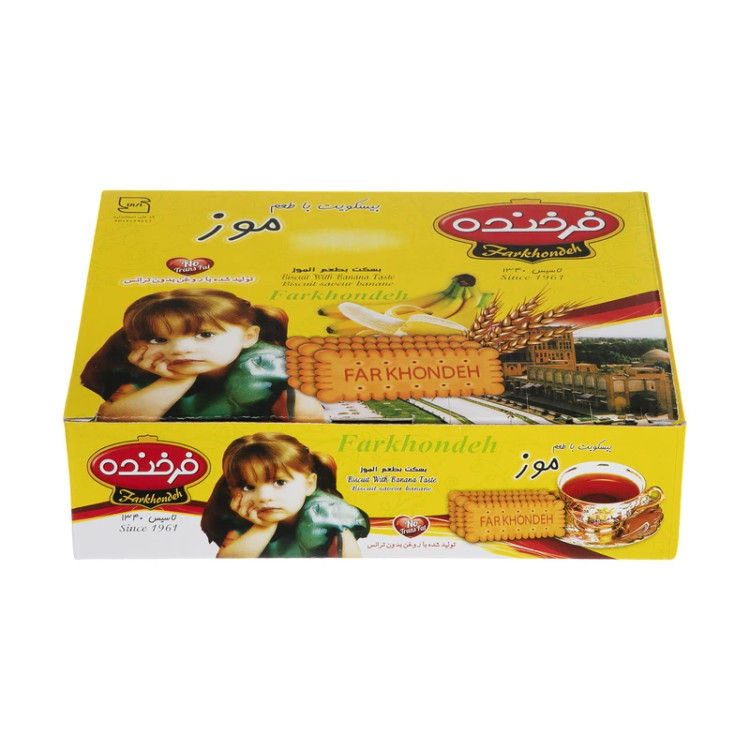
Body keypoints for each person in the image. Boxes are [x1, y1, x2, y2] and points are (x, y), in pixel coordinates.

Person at [81, 289, 323, 422]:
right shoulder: (143, 373)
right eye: (157, 340)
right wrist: (177, 380)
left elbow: (310, 421)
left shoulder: (271, 366)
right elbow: (112, 423)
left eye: (205, 335)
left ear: (249, 336)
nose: (179, 349)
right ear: (134, 345)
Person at [201, 433, 369, 558]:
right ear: (231, 491)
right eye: (248, 487)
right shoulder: (243, 519)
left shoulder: (325, 516)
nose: (263, 497)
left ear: (309, 484)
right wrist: (264, 527)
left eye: (280, 482)